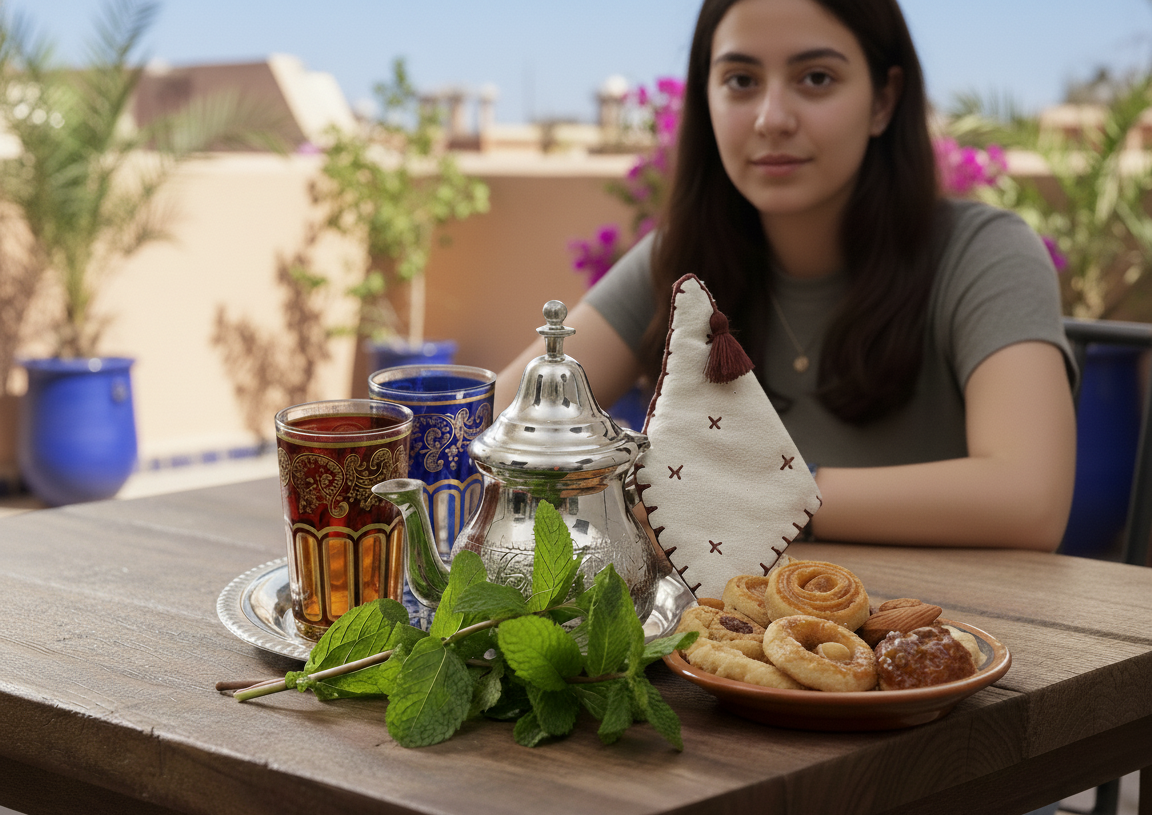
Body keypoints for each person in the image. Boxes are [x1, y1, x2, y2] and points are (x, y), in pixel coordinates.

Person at [495, 0, 1076, 552]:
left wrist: (762, 494)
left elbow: (1029, 498)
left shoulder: (983, 255)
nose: (772, 118)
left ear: (883, 100)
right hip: (718, 642)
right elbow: (497, 417)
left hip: (947, 642)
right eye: (741, 81)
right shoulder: (681, 262)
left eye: (816, 78)